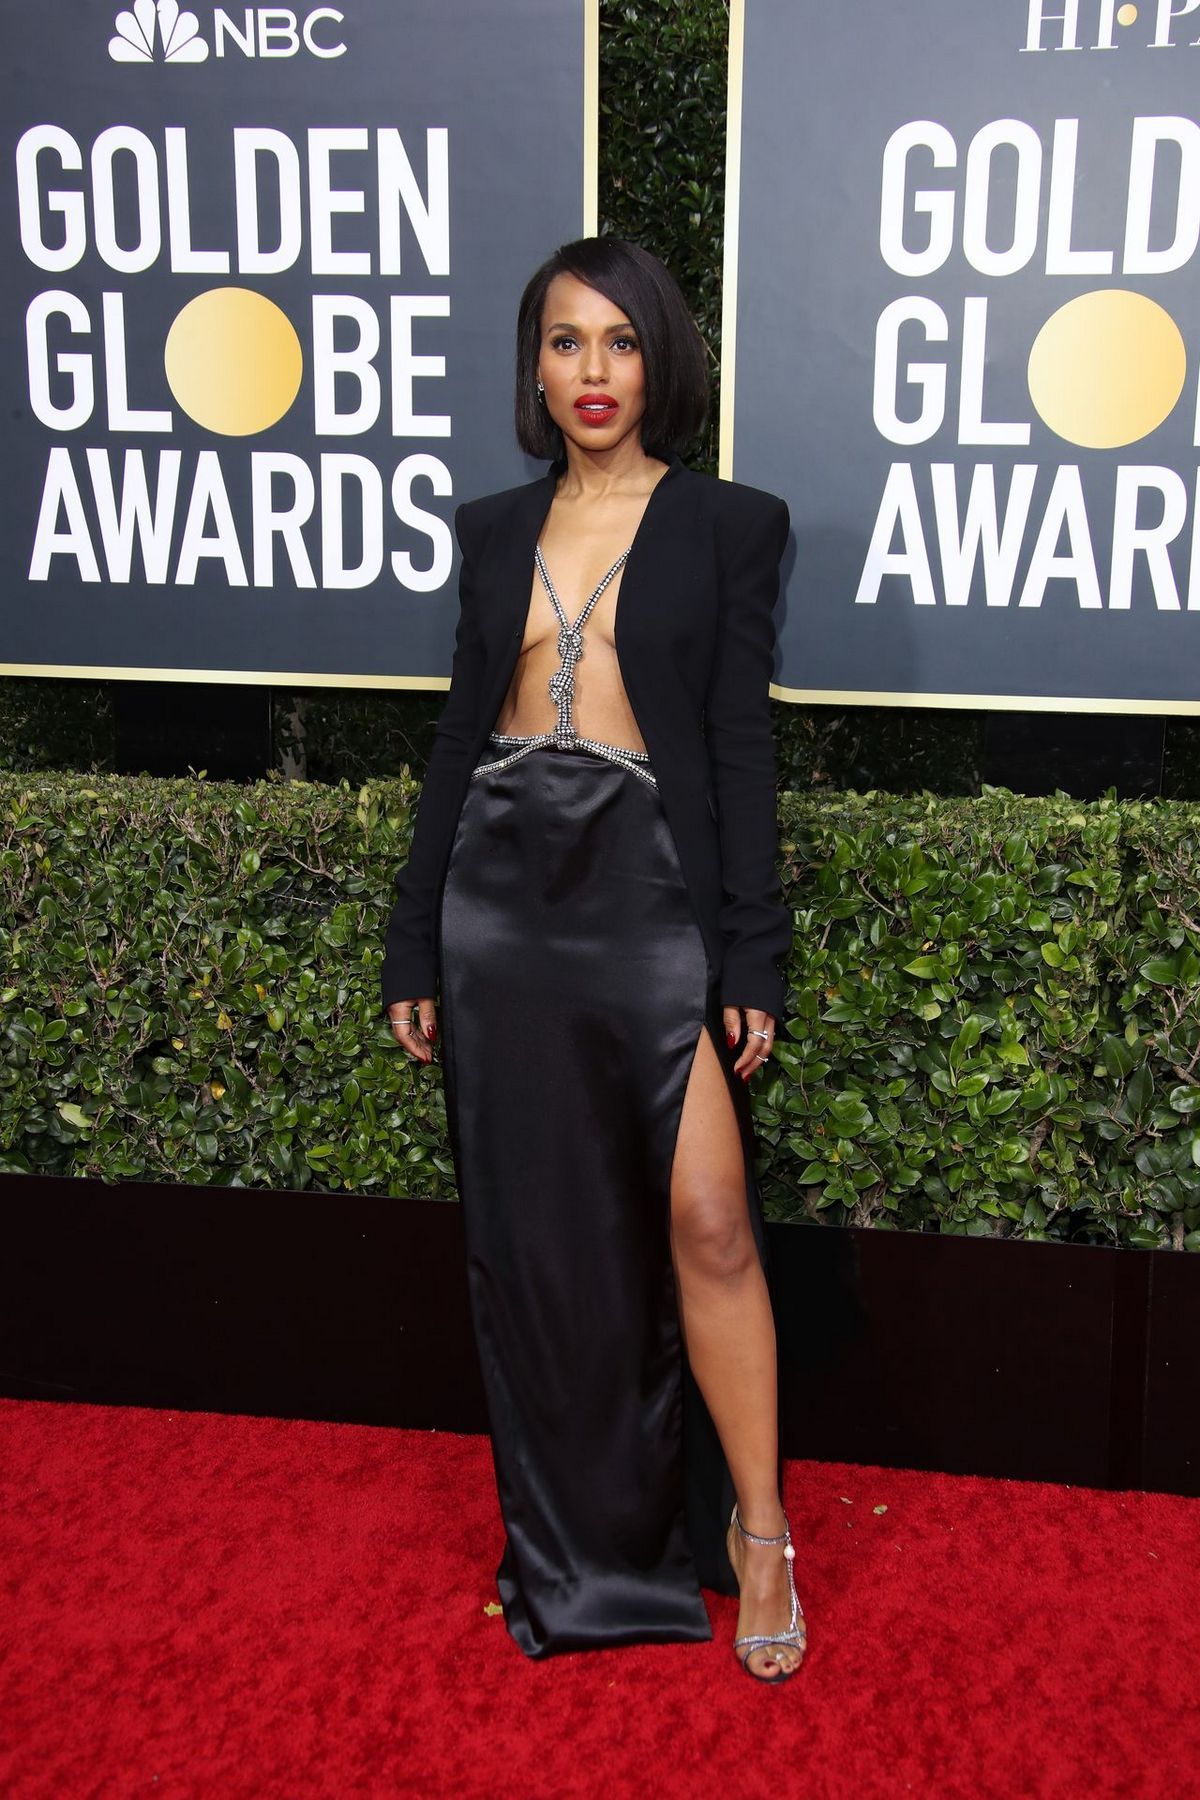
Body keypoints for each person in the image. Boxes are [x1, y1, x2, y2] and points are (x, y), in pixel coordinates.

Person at [381, 237, 804, 1682]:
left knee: (711, 1222)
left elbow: (740, 748)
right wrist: (413, 932)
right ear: (537, 366)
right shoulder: (494, 528)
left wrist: (752, 953)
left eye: (621, 340)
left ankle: (760, 1533)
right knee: (545, 1248)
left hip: (652, 900)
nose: (593, 370)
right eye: (566, 342)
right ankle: (578, 1549)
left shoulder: (731, 525)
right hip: (503, 913)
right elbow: (458, 735)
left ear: (660, 358)